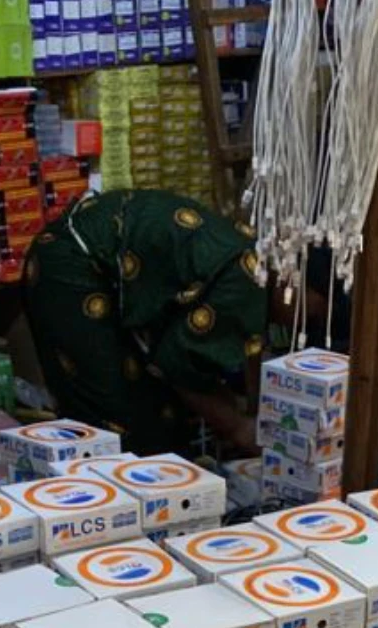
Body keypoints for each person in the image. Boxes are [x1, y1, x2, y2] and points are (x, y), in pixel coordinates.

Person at [23, 188, 270, 454]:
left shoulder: (258, 271)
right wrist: (238, 428)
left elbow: (250, 344)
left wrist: (252, 412)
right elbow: (178, 367)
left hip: (107, 268)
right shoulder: (245, 279)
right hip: (73, 263)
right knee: (115, 425)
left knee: (161, 415)